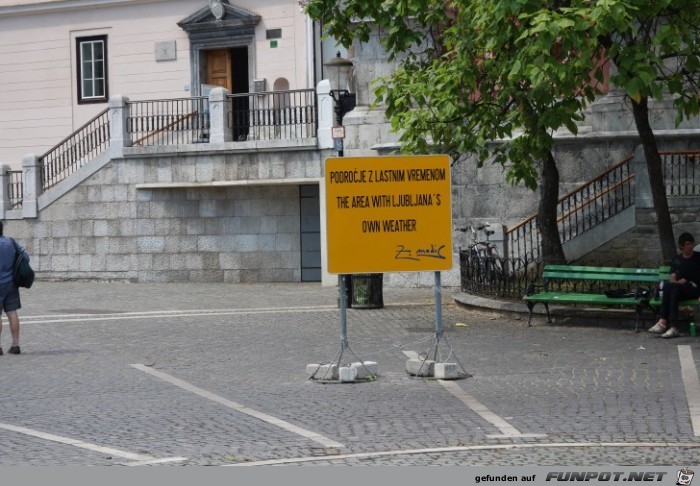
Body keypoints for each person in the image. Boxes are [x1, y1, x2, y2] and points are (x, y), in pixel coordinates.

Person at [649, 232, 700, 338]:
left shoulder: (698, 258)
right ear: (681, 246)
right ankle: (673, 327)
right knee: (674, 292)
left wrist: (684, 280)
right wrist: (677, 282)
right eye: (687, 244)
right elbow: (672, 276)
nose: (690, 246)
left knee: (668, 287)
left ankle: (662, 321)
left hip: (694, 288)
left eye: (691, 243)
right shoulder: (677, 259)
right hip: (679, 288)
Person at [0, 221, 29, 355]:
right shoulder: (10, 242)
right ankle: (15, 345)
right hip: (11, 283)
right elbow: (26, 257)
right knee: (12, 313)